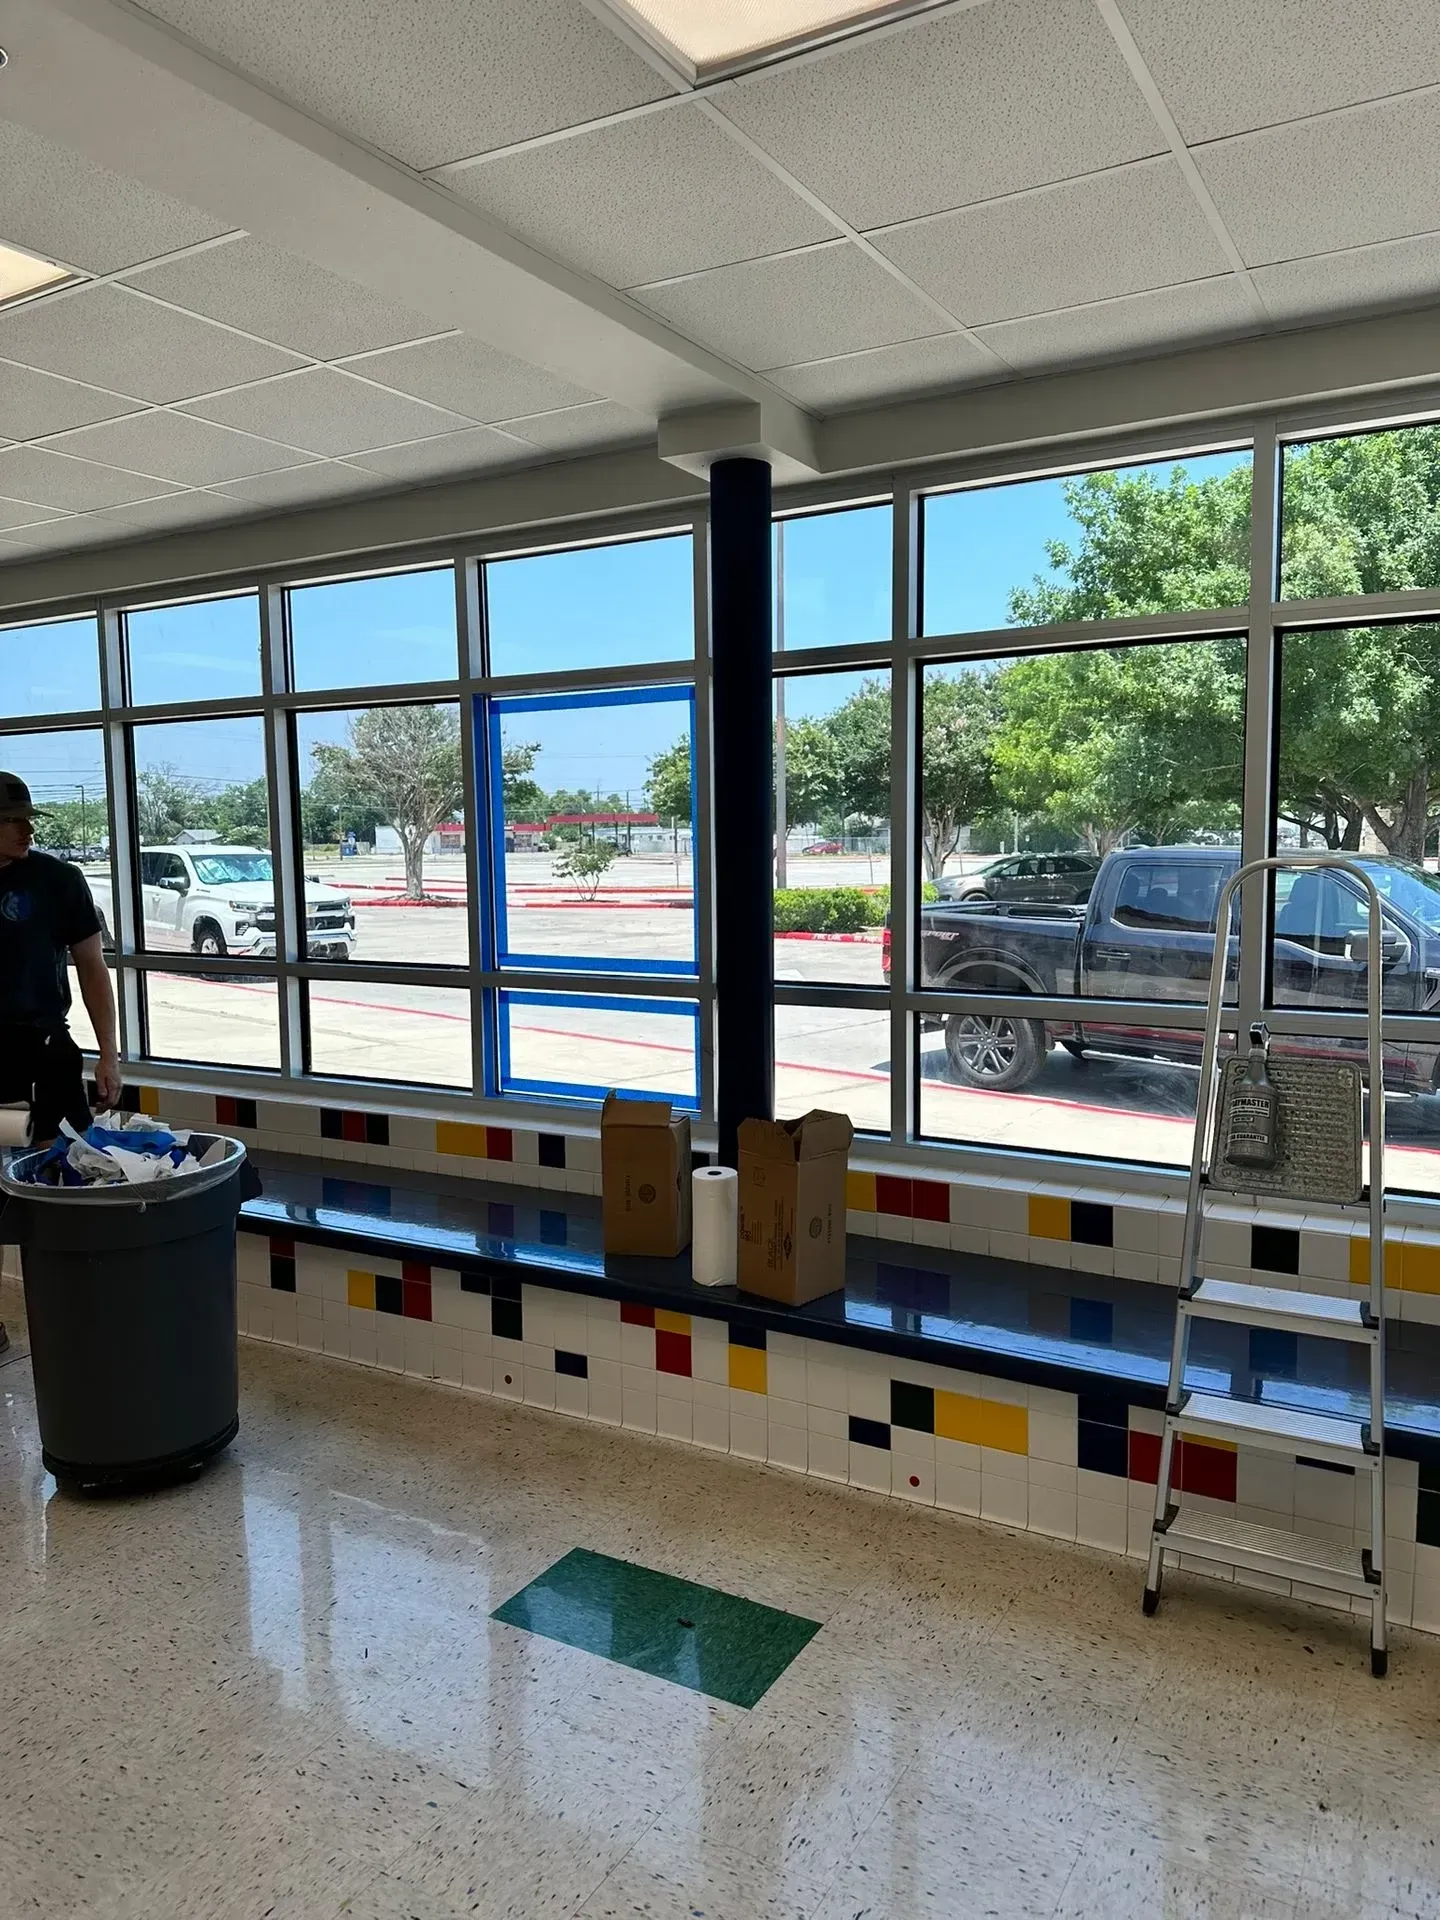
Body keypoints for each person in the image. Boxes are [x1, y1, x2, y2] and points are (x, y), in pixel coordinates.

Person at [0, 773, 121, 1356]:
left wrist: (108, 1055)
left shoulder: (58, 880)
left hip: (45, 1051)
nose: (25, 829)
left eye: (27, 819)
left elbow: (93, 969)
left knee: (70, 1174)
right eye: (12, 820)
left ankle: (84, 1304)